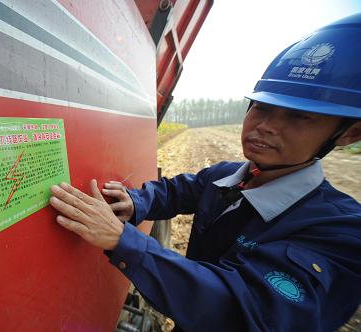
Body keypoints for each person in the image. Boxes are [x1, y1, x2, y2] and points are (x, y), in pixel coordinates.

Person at [49, 13, 361, 331]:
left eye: (297, 118)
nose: (265, 127)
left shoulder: (341, 233)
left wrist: (122, 240)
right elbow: (180, 191)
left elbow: (243, 311)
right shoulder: (227, 176)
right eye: (261, 108)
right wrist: (135, 201)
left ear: (348, 133)